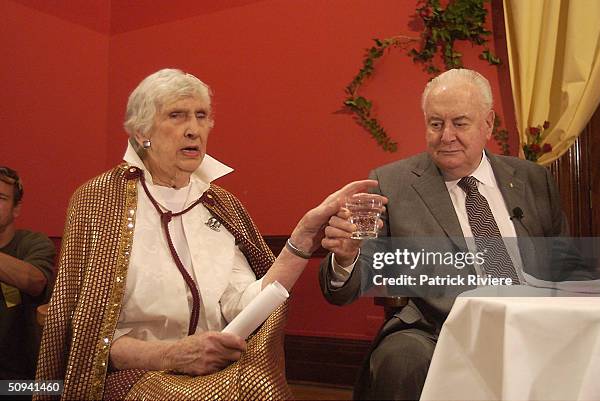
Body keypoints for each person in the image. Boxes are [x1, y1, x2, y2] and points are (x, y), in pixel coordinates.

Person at [35, 68, 385, 400]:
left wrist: (303, 239)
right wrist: (170, 355)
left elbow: (243, 304)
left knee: (256, 384)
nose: (193, 129)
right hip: (133, 373)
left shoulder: (220, 204)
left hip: (212, 368)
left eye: (201, 116)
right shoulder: (98, 200)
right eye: (176, 116)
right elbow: (84, 333)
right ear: (142, 132)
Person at [319, 68, 571, 400]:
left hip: (531, 322)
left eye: (460, 123)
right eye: (436, 124)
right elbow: (348, 285)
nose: (446, 136)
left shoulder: (532, 180)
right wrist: (346, 257)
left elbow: (566, 265)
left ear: (488, 124)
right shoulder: (393, 183)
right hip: (436, 329)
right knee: (399, 358)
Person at [0, 167, 56, 380]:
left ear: (16, 208)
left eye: (0, 197)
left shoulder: (33, 243)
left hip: (22, 383)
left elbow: (35, 281)